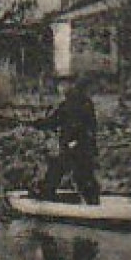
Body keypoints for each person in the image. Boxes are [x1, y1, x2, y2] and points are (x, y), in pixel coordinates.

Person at [37, 75, 101, 204]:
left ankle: (47, 195)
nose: (60, 88)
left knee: (63, 169)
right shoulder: (78, 102)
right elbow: (55, 121)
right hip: (79, 146)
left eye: (62, 85)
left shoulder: (74, 103)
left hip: (77, 146)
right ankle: (92, 200)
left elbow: (77, 124)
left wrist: (74, 141)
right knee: (80, 174)